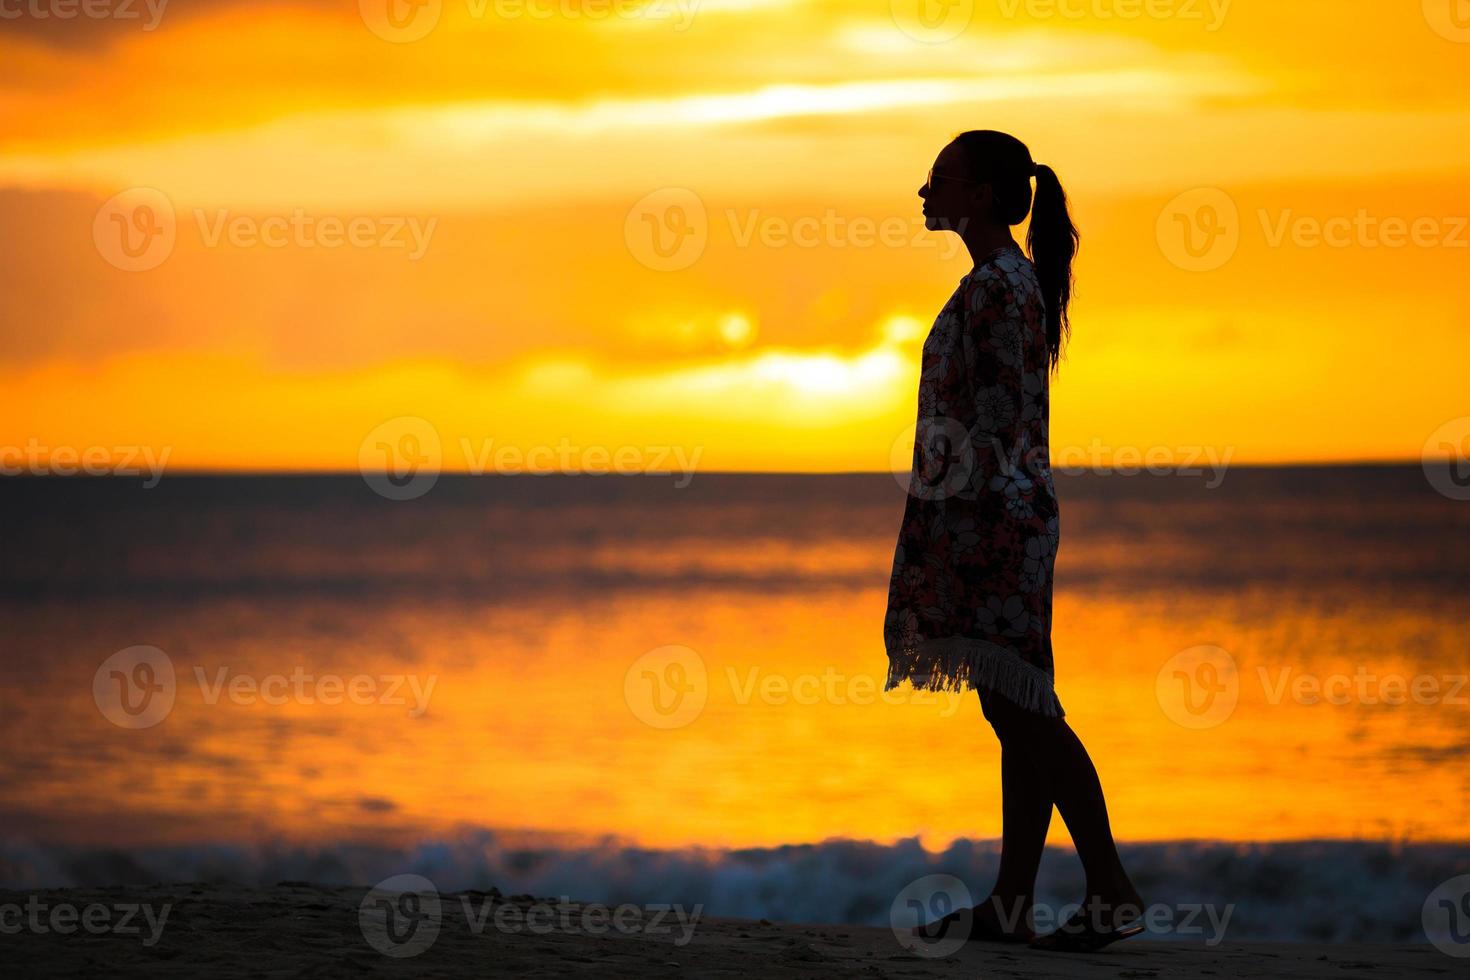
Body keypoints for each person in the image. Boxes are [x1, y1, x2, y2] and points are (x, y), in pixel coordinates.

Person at [885, 130, 1145, 953]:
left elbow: (994, 422)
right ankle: (1012, 902)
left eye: (941, 179)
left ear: (986, 196)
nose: (925, 191)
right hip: (1003, 513)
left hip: (996, 518)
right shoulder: (1001, 283)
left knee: (1024, 706)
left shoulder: (1000, 288)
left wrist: (952, 522)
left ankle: (1108, 888)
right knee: (1016, 702)